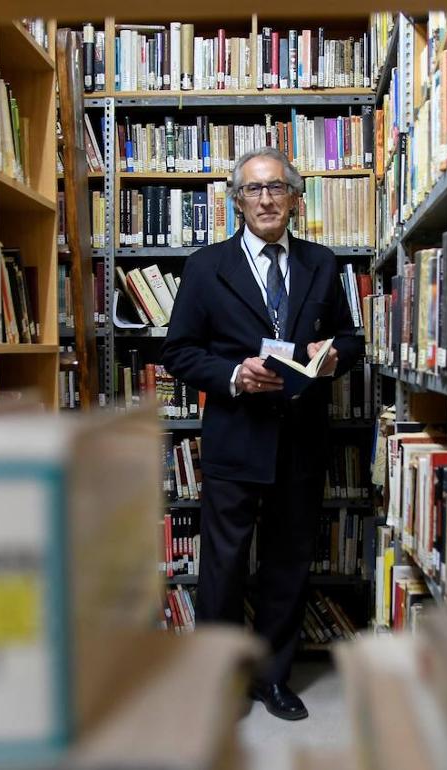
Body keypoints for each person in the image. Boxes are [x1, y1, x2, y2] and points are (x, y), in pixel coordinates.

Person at [162, 147, 362, 721]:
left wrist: (334, 357)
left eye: (277, 187)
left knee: (288, 564)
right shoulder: (206, 267)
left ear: (296, 199)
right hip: (236, 437)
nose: (266, 199)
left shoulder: (321, 263)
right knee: (223, 567)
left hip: (300, 439)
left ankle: (273, 679)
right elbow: (179, 352)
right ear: (237, 201)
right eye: (254, 189)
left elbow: (350, 339)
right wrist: (233, 375)